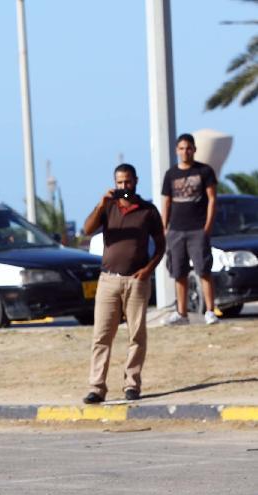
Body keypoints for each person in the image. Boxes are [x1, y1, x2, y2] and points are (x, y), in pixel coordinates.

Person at [82, 164, 166, 404]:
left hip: (136, 281)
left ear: (136, 181)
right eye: (119, 183)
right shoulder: (108, 208)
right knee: (101, 336)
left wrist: (147, 270)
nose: (123, 187)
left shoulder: (148, 210)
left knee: (136, 335)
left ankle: (132, 384)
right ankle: (96, 387)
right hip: (108, 280)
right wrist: (101, 204)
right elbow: (87, 229)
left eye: (127, 182)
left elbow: (161, 246)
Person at [161, 133, 219, 325]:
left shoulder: (204, 171)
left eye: (188, 148)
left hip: (197, 229)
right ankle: (181, 313)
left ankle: (210, 311)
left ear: (194, 149)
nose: (185, 151)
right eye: (182, 148)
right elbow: (167, 202)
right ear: (177, 150)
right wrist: (164, 227)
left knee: (203, 270)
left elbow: (212, 199)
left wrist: (207, 227)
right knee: (179, 272)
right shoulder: (171, 174)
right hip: (176, 230)